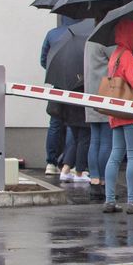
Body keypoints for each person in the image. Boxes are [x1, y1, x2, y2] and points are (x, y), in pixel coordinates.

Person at [101, 19, 133, 214]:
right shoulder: (127, 56)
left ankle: (110, 200)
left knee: (115, 155)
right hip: (130, 112)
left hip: (116, 112)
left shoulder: (115, 55)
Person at [45, 22, 89, 183]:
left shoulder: (55, 36)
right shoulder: (87, 43)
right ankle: (78, 170)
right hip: (81, 95)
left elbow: (45, 61)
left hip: (63, 91)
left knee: (62, 128)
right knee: (82, 135)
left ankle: (57, 165)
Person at [39, 15, 74, 174]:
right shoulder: (83, 33)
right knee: (74, 124)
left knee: (55, 123)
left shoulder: (52, 34)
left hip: (57, 83)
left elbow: (43, 60)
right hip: (77, 85)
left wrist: (55, 73)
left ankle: (51, 163)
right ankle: (68, 163)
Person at [83, 36, 115, 194]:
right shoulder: (106, 39)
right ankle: (103, 179)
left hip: (90, 94)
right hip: (105, 93)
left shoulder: (90, 39)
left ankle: (94, 177)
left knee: (94, 140)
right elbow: (116, 59)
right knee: (106, 141)